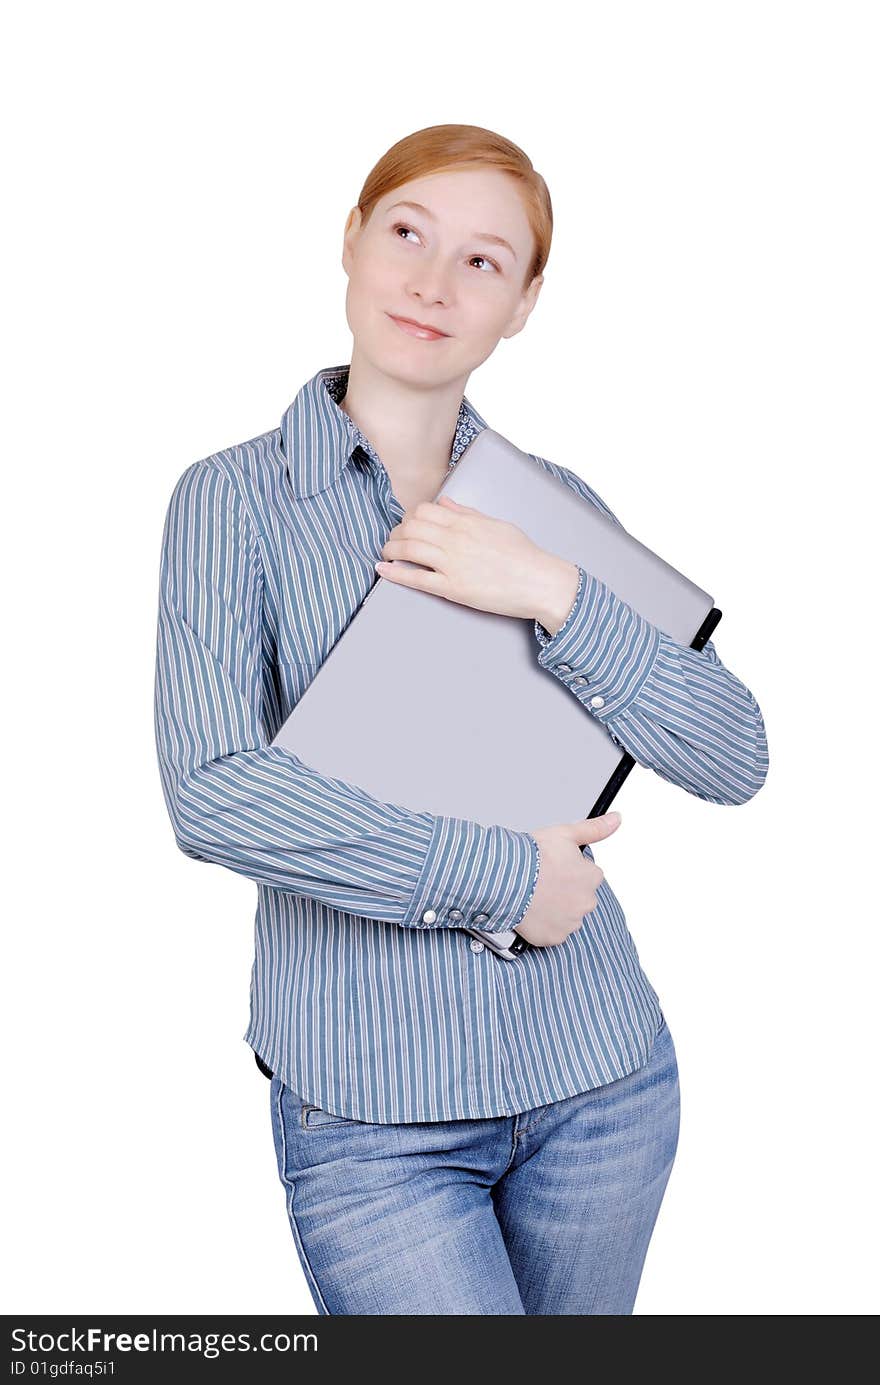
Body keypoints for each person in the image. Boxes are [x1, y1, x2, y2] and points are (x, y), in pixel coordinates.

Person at [153, 123, 769, 1315]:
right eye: (407, 234)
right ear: (352, 241)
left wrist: (552, 590)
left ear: (524, 303)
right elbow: (212, 787)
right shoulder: (231, 500)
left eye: (485, 262)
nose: (434, 283)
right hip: (374, 1121)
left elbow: (735, 753)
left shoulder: (557, 512)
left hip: (603, 1084)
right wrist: (499, 875)